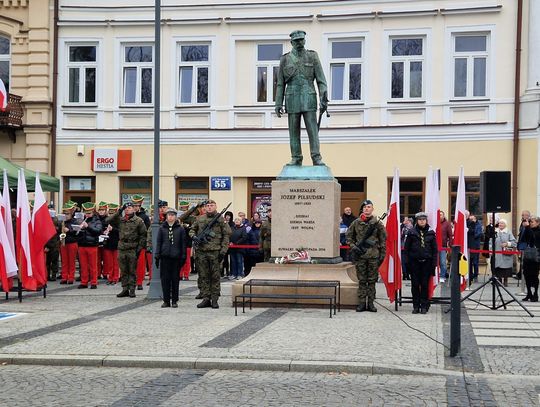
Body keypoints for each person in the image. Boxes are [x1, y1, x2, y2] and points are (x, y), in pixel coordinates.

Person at [275, 30, 328, 166]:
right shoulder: (285, 59)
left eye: (301, 40)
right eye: (296, 40)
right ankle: (296, 157)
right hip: (292, 98)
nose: (299, 42)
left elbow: (321, 80)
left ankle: (316, 157)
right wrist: (278, 104)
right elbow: (280, 83)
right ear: (291, 42)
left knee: (313, 130)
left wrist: (324, 96)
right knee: (293, 131)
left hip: (309, 97)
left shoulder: (312, 56)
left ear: (304, 40)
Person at [189, 200, 231, 309]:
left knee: (215, 276)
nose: (209, 207)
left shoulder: (221, 219)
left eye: (211, 205)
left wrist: (223, 251)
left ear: (216, 206)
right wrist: (194, 237)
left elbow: (227, 235)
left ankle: (215, 299)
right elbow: (192, 230)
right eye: (207, 206)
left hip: (215, 252)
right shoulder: (200, 219)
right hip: (202, 252)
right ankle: (206, 298)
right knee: (203, 276)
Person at [346, 200, 386, 313]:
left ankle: (371, 303)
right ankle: (362, 303)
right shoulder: (356, 223)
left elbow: (383, 240)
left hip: (373, 256)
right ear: (362, 209)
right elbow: (349, 237)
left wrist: (382, 255)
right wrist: (354, 247)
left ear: (372, 209)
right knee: (362, 280)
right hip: (361, 256)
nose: (367, 209)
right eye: (365, 207)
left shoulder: (378, 224)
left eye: (369, 207)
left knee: (372, 281)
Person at [108, 202, 147, 298]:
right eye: (125, 208)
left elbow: (143, 235)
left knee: (132, 270)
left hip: (132, 247)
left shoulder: (138, 221)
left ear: (134, 209)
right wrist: (119, 211)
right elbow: (108, 220)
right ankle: (125, 289)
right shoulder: (121, 220)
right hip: (122, 247)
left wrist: (139, 248)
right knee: (123, 270)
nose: (127, 209)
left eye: (129, 208)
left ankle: (132, 289)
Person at [403, 212, 438, 314]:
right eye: (420, 219)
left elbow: (435, 250)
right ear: (417, 221)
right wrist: (407, 264)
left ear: (426, 220)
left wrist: (434, 264)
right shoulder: (411, 232)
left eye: (424, 219)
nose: (422, 221)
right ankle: (416, 306)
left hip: (427, 263)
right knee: (415, 285)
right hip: (414, 263)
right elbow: (406, 249)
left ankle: (424, 305)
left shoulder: (431, 233)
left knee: (425, 285)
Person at [155, 208, 187, 308]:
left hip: (176, 257)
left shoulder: (180, 228)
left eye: (173, 215)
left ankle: (174, 300)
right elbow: (159, 242)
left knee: (175, 279)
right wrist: (157, 254)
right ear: (166, 216)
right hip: (165, 257)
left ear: (175, 217)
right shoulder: (162, 228)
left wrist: (183, 256)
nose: (171, 217)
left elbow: (183, 243)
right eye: (169, 215)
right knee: (165, 280)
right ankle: (166, 300)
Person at [77, 202, 103, 289]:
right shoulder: (81, 220)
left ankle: (93, 282)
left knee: (93, 265)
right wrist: (77, 229)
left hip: (92, 245)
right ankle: (84, 282)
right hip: (82, 245)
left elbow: (98, 231)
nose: (87, 215)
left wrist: (87, 227)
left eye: (89, 213)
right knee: (83, 265)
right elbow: (76, 234)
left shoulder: (97, 220)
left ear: (93, 212)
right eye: (85, 213)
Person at [132, 195, 151, 290]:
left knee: (140, 265)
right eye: (133, 206)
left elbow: (147, 231)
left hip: (140, 244)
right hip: (130, 244)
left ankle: (139, 282)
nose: (135, 207)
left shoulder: (145, 217)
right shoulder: (127, 217)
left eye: (137, 206)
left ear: (140, 206)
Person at [490, 219, 517, 287]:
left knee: (506, 268)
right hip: (497, 253)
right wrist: (490, 251)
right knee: (498, 267)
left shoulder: (508, 232)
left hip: (506, 254)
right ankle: (499, 281)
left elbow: (514, 243)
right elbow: (490, 242)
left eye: (502, 223)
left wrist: (507, 243)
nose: (500, 225)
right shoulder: (495, 232)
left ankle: (505, 281)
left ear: (505, 224)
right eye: (499, 223)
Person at [521, 216, 540, 301]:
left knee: (534, 275)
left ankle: (535, 294)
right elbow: (523, 238)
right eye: (530, 222)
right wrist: (525, 228)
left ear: (538, 223)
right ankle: (529, 293)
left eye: (532, 222)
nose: (531, 223)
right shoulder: (528, 229)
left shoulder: (538, 231)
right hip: (527, 255)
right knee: (526, 275)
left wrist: (527, 227)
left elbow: (533, 237)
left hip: (536, 257)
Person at [59, 201, 78, 284]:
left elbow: (76, 232)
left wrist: (69, 230)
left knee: (71, 261)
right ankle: (64, 277)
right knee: (64, 261)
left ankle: (71, 277)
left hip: (72, 243)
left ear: (71, 214)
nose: (66, 216)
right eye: (65, 214)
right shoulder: (61, 222)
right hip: (63, 243)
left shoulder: (75, 221)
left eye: (67, 214)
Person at [103, 203, 120, 285]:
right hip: (108, 243)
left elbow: (121, 232)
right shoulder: (106, 221)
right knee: (109, 263)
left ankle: (116, 278)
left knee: (116, 263)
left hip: (116, 244)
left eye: (113, 213)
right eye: (110, 213)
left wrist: (113, 229)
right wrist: (104, 231)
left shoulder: (119, 221)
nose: (111, 215)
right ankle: (110, 278)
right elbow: (101, 229)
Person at [44, 205, 61, 282]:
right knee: (47, 262)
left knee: (55, 261)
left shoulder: (57, 220)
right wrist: (46, 245)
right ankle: (47, 275)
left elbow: (60, 232)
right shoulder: (45, 220)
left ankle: (54, 275)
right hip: (48, 245)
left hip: (55, 244)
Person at [467, 214, 483, 284]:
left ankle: (476, 274)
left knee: (475, 261)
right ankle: (471, 274)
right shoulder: (470, 225)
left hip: (476, 245)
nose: (471, 220)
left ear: (475, 219)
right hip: (470, 245)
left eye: (472, 219)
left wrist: (471, 234)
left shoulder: (478, 225)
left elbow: (479, 234)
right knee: (470, 261)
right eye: (470, 219)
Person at [517, 210, 532, 279]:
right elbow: (520, 234)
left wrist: (527, 226)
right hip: (521, 244)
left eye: (524, 215)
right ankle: (520, 274)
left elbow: (530, 235)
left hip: (527, 244)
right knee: (521, 260)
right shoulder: (522, 223)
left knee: (526, 261)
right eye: (522, 215)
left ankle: (525, 276)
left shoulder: (530, 223)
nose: (523, 216)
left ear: (528, 216)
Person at [96, 202, 109, 280]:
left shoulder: (108, 219)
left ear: (105, 211)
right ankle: (98, 273)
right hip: (97, 240)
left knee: (106, 258)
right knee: (97, 259)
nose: (101, 211)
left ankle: (105, 273)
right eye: (100, 210)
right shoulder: (96, 218)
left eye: (103, 210)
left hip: (106, 240)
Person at [439, 211, 453, 282]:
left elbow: (450, 235)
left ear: (444, 216)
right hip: (434, 246)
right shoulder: (435, 222)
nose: (440, 216)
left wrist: (450, 245)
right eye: (439, 215)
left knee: (442, 262)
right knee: (435, 262)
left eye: (441, 215)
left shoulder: (447, 224)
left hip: (443, 246)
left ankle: (442, 276)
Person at [221, 210, 234, 277]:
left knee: (231, 259)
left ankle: (230, 272)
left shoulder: (233, 224)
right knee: (224, 258)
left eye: (229, 216)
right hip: (223, 243)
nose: (228, 217)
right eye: (227, 215)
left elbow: (232, 233)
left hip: (230, 243)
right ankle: (222, 272)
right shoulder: (223, 223)